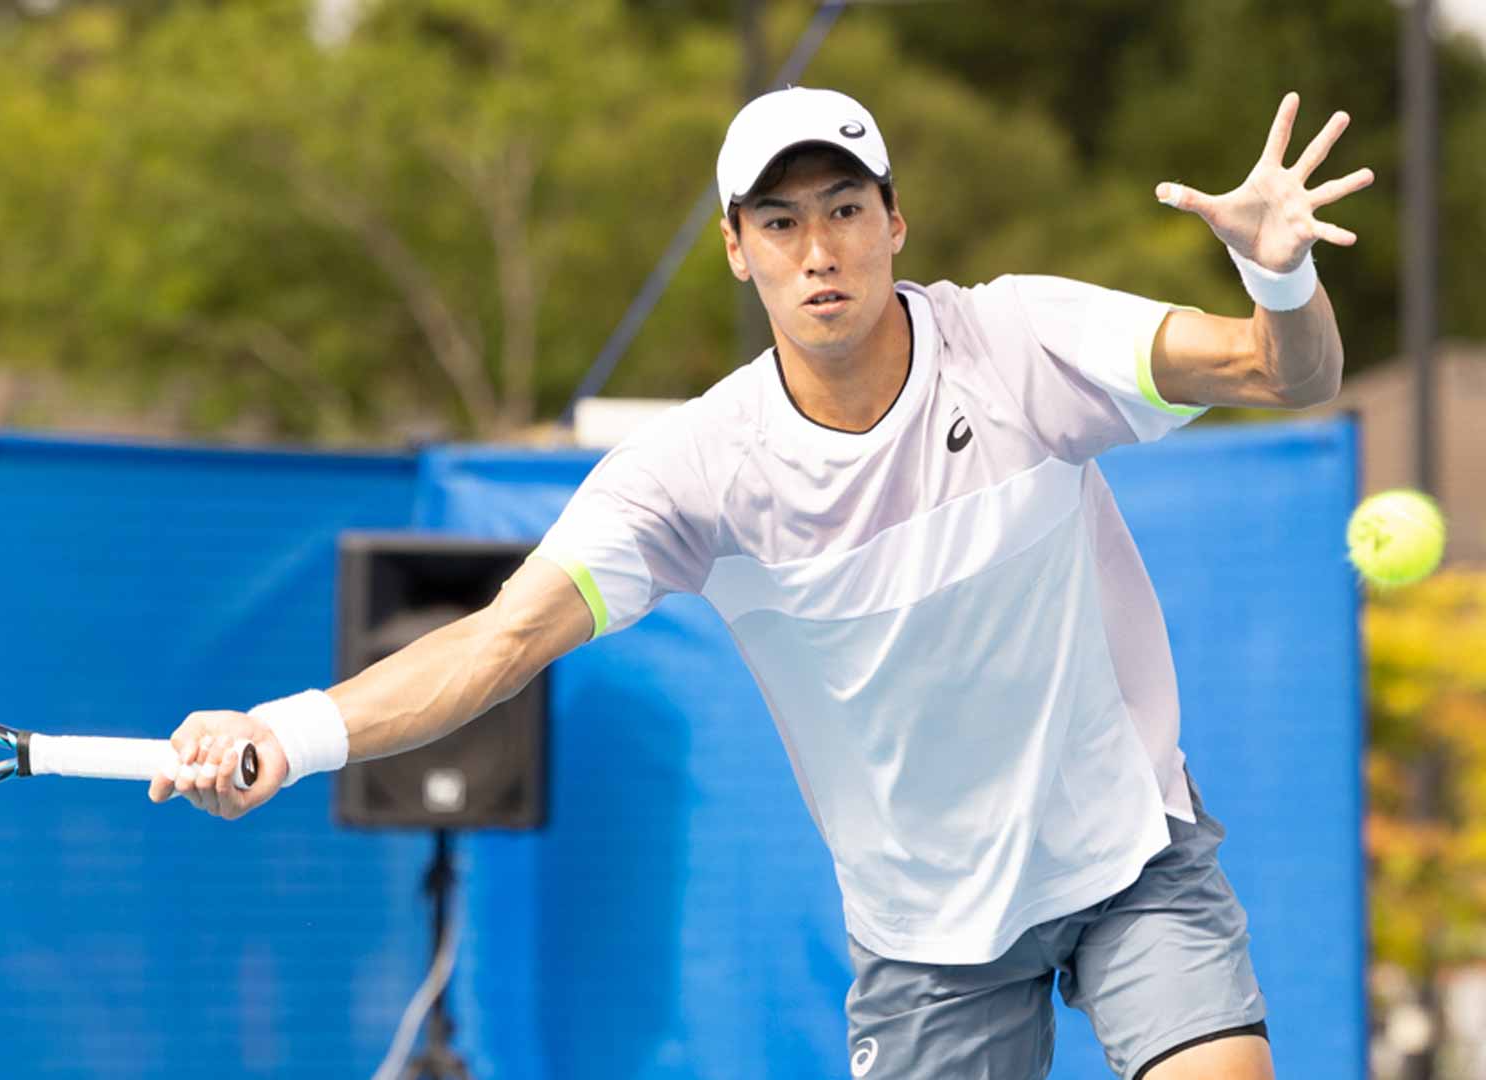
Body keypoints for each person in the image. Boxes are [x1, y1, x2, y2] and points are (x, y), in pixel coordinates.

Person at [148, 87, 1370, 1080]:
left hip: (1124, 855)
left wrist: (1277, 278)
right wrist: (287, 732)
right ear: (736, 251)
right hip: (924, 934)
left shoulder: (1022, 342)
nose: (819, 248)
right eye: (779, 221)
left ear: (898, 222)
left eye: (844, 208)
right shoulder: (695, 471)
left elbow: (1285, 372)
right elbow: (499, 640)